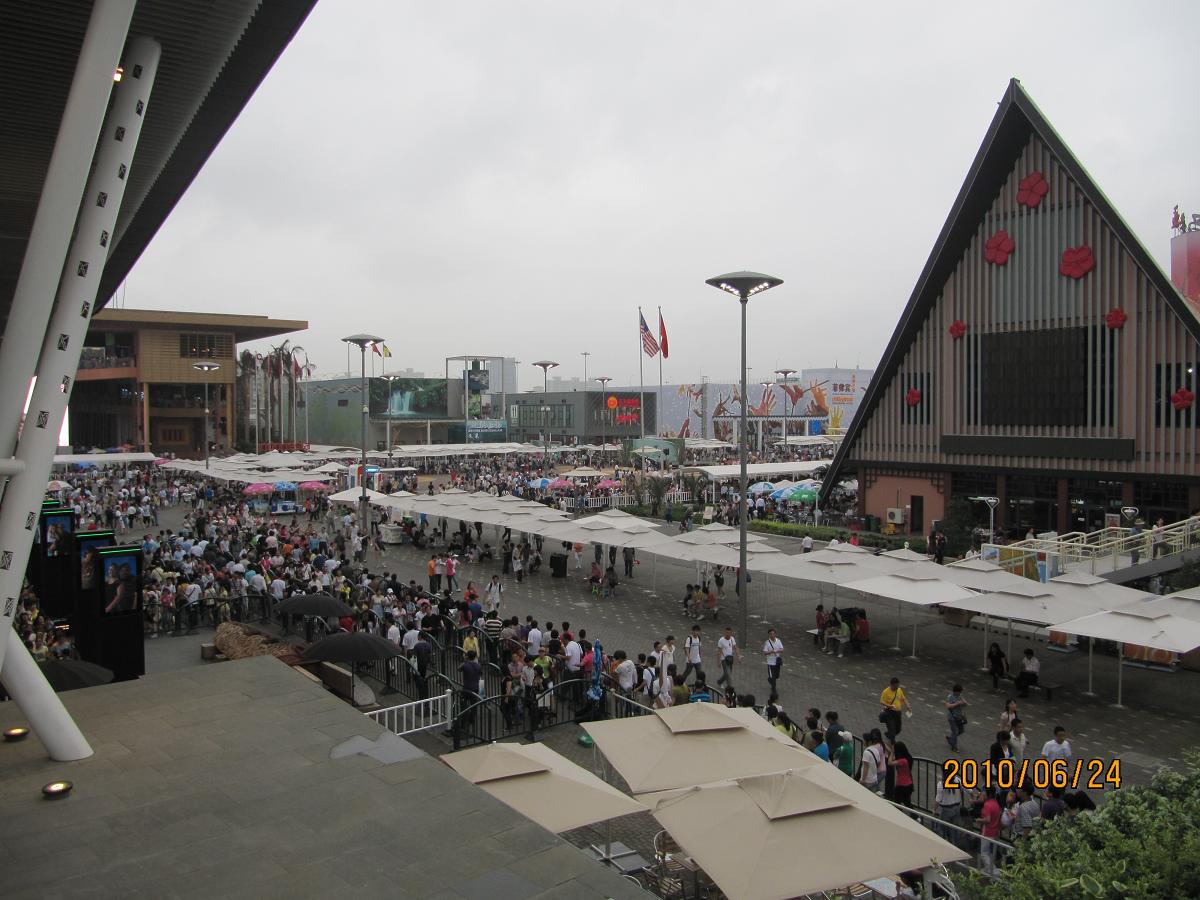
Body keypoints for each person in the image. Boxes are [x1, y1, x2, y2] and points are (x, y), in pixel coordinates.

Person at [977, 789, 1003, 874]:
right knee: (991, 852)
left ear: (988, 795)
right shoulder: (996, 803)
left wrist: (979, 820)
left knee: (984, 853)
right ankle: (988, 869)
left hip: (987, 831)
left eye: (984, 795)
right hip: (995, 831)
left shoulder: (987, 805)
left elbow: (987, 820)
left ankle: (992, 869)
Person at [880, 676, 911, 742]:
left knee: (898, 729)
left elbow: (903, 698)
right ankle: (892, 743)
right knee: (892, 730)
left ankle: (888, 734)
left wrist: (907, 705)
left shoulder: (899, 690)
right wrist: (889, 705)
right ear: (891, 685)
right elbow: (881, 702)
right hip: (889, 713)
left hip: (898, 713)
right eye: (896, 686)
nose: (897, 687)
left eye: (898, 685)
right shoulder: (886, 692)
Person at [859, 730, 887, 794]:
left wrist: (863, 780)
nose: (863, 741)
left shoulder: (866, 752)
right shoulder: (875, 749)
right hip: (874, 779)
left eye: (865, 740)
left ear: (869, 742)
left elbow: (866, 767)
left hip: (867, 780)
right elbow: (878, 762)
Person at [889, 741, 915, 807]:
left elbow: (890, 762)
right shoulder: (908, 758)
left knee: (899, 802)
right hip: (908, 784)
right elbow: (893, 758)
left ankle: (913, 814)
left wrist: (892, 752)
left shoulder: (902, 761)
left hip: (902, 785)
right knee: (906, 802)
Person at [945, 684, 968, 753]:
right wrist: (957, 704)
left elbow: (965, 704)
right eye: (959, 692)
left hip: (959, 717)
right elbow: (948, 706)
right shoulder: (950, 697)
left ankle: (951, 739)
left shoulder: (960, 696)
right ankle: (954, 747)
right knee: (955, 732)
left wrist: (964, 703)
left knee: (961, 730)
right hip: (952, 718)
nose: (960, 693)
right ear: (955, 691)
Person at [762, 628, 784, 692]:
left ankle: (770, 680)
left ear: (775, 634)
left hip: (777, 662)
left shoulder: (778, 641)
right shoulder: (767, 642)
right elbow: (765, 652)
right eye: (771, 634)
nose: (772, 635)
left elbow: (782, 649)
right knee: (773, 677)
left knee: (776, 676)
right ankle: (773, 689)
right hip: (770, 663)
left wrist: (777, 651)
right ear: (769, 635)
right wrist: (771, 651)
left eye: (773, 634)